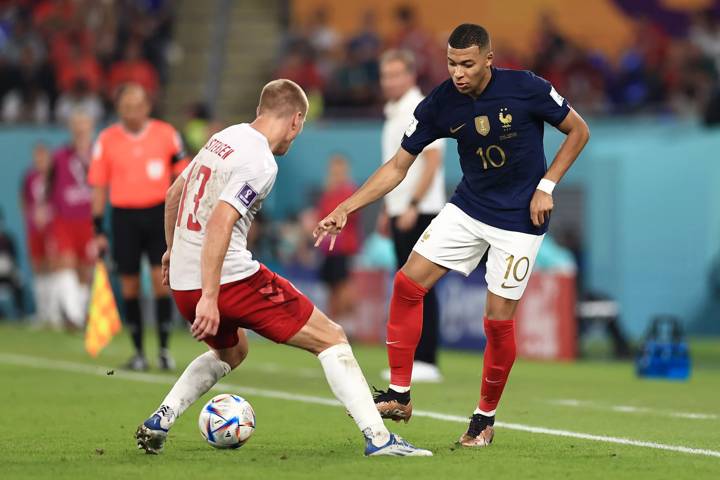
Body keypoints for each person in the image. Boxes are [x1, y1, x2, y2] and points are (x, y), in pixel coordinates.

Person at [314, 24, 590, 447]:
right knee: (407, 283)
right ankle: (401, 394)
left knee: (497, 322)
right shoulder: (441, 102)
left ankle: (484, 420)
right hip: (468, 208)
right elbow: (396, 166)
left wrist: (546, 186)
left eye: (467, 64)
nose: (458, 72)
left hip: (519, 221)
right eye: (451, 63)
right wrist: (346, 207)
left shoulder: (526, 88)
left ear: (488, 60)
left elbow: (578, 131)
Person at [134, 79, 430, 457]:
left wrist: (173, 251)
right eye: (300, 127)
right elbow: (222, 221)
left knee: (233, 352)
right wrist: (211, 296)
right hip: (225, 280)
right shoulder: (260, 161)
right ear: (295, 120)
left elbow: (175, 193)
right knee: (332, 337)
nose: (297, 136)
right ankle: (379, 438)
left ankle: (163, 416)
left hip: (183, 281)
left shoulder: (224, 137)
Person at [88, 83, 187, 371]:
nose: (131, 111)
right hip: (124, 217)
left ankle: (165, 349)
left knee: (161, 281)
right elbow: (98, 186)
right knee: (129, 284)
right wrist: (98, 228)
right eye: (126, 106)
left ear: (147, 106)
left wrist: (181, 216)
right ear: (119, 109)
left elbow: (183, 175)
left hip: (158, 215)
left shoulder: (166, 134)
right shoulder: (107, 140)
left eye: (136, 105)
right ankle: (139, 353)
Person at [379, 49, 446, 383]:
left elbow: (433, 160)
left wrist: (413, 205)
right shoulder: (394, 111)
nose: (388, 81)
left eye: (395, 75)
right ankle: (413, 358)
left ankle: (426, 359)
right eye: (385, 75)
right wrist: (387, 207)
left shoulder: (417, 108)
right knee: (407, 285)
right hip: (402, 210)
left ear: (410, 76)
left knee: (419, 286)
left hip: (420, 212)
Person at [46, 110, 96, 330]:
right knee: (66, 262)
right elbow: (48, 184)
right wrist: (43, 207)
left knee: (85, 270)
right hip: (64, 219)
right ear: (71, 128)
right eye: (76, 123)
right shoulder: (59, 156)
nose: (80, 128)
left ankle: (79, 311)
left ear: (91, 127)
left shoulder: (98, 154)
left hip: (89, 219)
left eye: (84, 123)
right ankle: (73, 316)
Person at [316, 155, 360, 319]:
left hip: (344, 247)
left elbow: (349, 217)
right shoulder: (328, 192)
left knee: (343, 286)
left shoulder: (349, 191)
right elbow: (321, 217)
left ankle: (346, 322)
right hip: (328, 249)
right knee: (332, 287)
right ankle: (334, 321)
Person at [20, 143, 53, 324]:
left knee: (53, 267)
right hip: (35, 230)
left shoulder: (54, 177)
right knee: (38, 268)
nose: (39, 160)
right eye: (36, 157)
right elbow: (24, 201)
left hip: (52, 229)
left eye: (42, 156)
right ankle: (42, 312)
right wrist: (30, 220)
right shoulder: (29, 177)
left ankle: (54, 311)